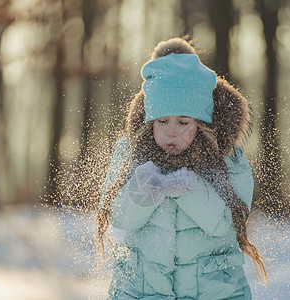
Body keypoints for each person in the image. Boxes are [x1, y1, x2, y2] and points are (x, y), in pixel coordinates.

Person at [95, 37, 266, 299]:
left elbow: (228, 226)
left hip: (214, 292)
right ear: (150, 120)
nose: (171, 132)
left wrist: (189, 189)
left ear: (201, 123)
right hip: (142, 291)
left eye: (183, 122)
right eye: (162, 121)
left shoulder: (228, 158)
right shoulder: (130, 153)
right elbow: (119, 216)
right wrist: (147, 190)